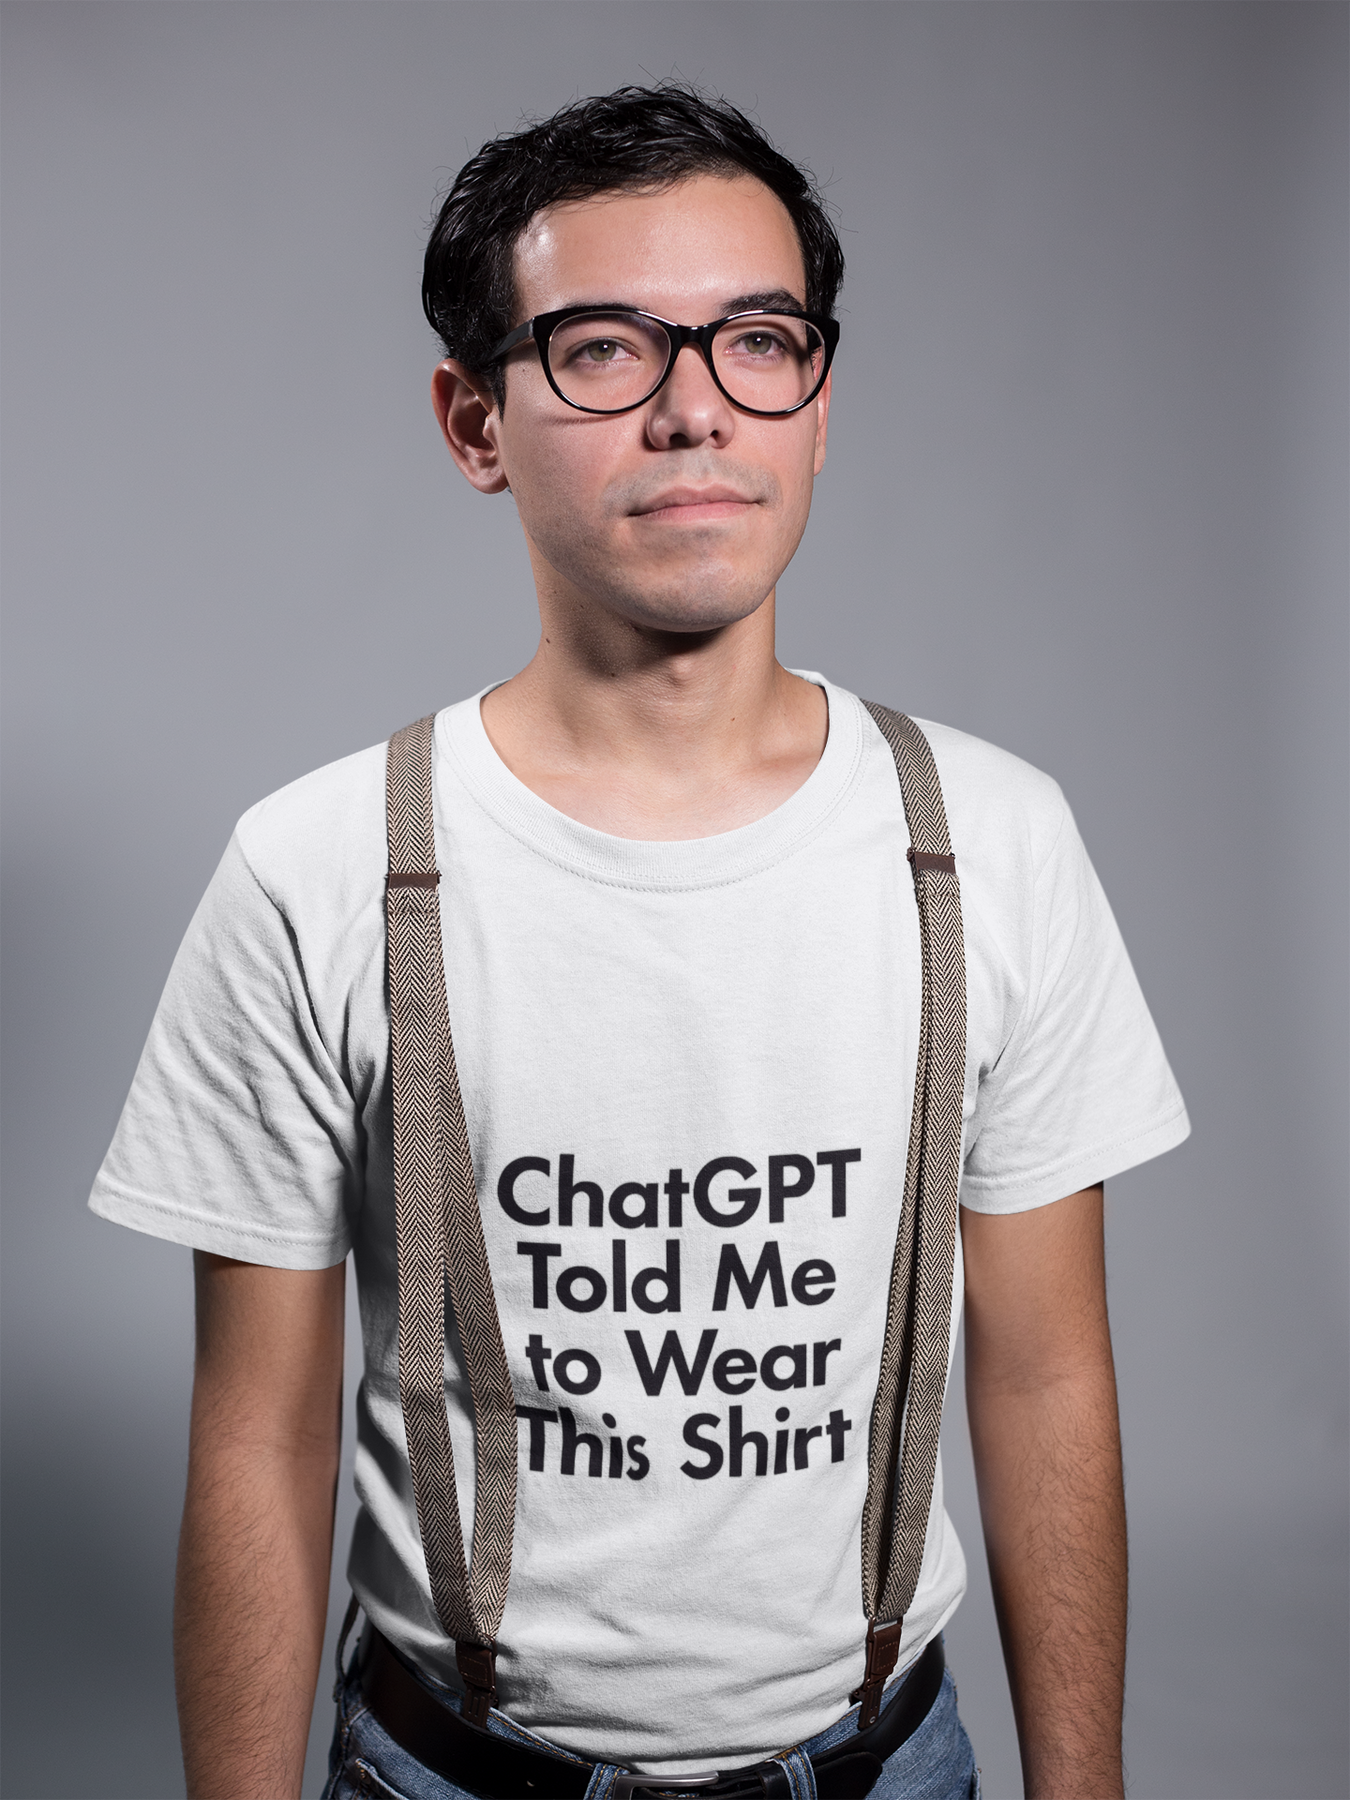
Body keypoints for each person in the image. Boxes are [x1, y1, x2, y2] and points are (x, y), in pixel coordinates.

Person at [89, 83, 1189, 1800]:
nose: (694, 409)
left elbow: (1046, 1376)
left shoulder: (994, 840)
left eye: (758, 341)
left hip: (885, 1765)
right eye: (603, 349)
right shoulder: (315, 870)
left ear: (816, 409)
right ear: (474, 421)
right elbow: (257, 1437)